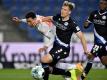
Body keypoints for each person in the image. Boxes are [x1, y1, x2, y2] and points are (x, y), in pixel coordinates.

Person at [13, 1, 89, 80]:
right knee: (48, 68)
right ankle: (70, 73)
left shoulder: (72, 24)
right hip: (56, 46)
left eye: (65, 10)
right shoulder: (58, 17)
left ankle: (74, 67)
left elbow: (82, 37)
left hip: (63, 48)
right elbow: (49, 18)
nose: (62, 11)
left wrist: (85, 50)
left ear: (69, 12)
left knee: (44, 60)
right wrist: (39, 20)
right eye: (62, 9)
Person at [80, 0, 107, 80]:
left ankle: (81, 78)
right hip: (97, 42)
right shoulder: (94, 13)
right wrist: (86, 23)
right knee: (104, 61)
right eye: (101, 3)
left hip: (102, 42)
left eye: (104, 4)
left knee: (90, 57)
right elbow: (86, 25)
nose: (102, 5)